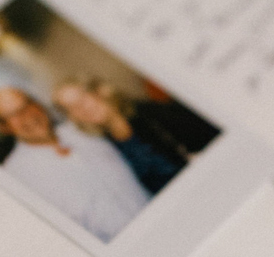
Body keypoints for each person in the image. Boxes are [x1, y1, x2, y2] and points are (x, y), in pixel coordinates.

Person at [0, 85, 151, 241]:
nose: (26, 115)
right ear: (3, 127)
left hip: (155, 215)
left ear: (38, 104)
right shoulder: (14, 176)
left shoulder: (81, 128)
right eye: (12, 115)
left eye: (27, 105)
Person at [51, 80, 183, 195]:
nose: (81, 108)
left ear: (99, 92)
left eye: (82, 98)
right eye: (72, 107)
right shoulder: (105, 146)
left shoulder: (150, 113)